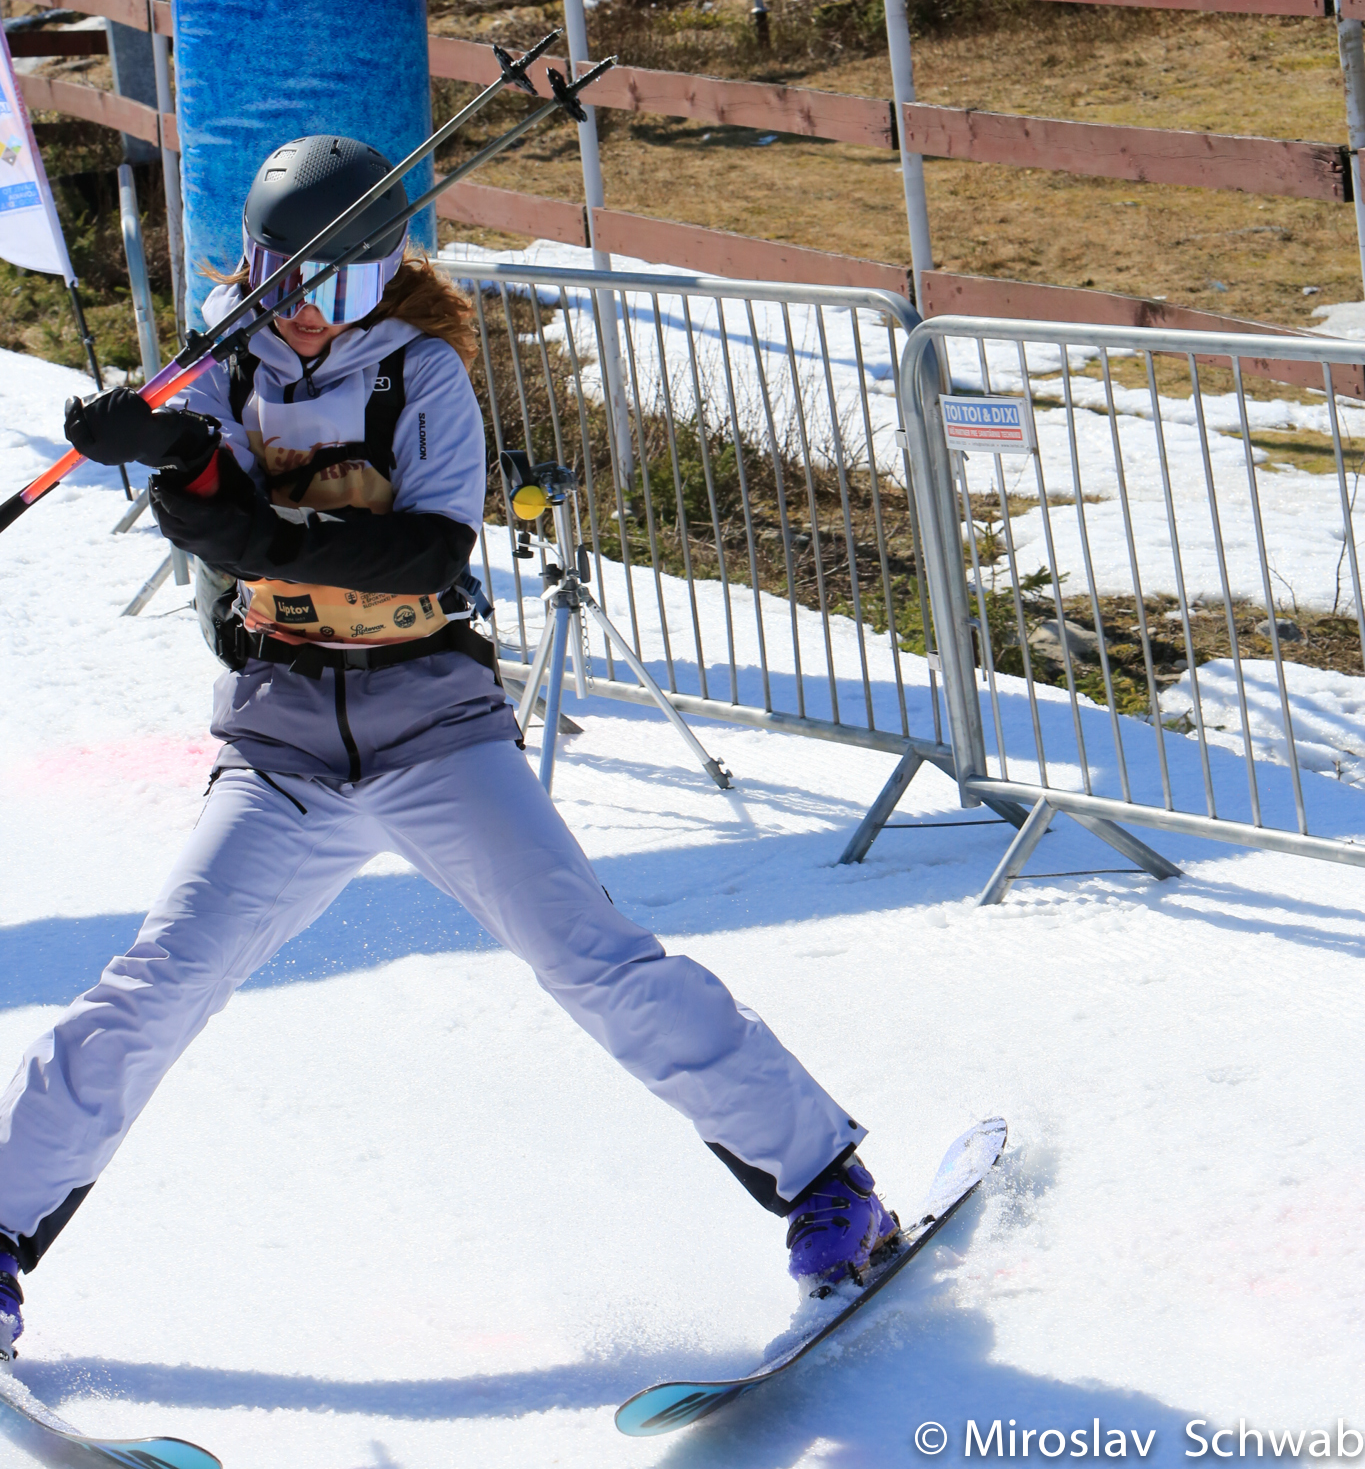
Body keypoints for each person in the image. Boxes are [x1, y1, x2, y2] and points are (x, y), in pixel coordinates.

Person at [0, 134, 898, 1367]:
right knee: (155, 983)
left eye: (336, 283)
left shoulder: (421, 374)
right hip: (284, 742)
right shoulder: (222, 362)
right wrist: (168, 451)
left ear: (381, 276)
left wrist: (242, 511)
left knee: (594, 959)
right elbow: (214, 524)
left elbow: (426, 551)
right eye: (280, 277)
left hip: (432, 727)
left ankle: (831, 1185)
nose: (302, 308)